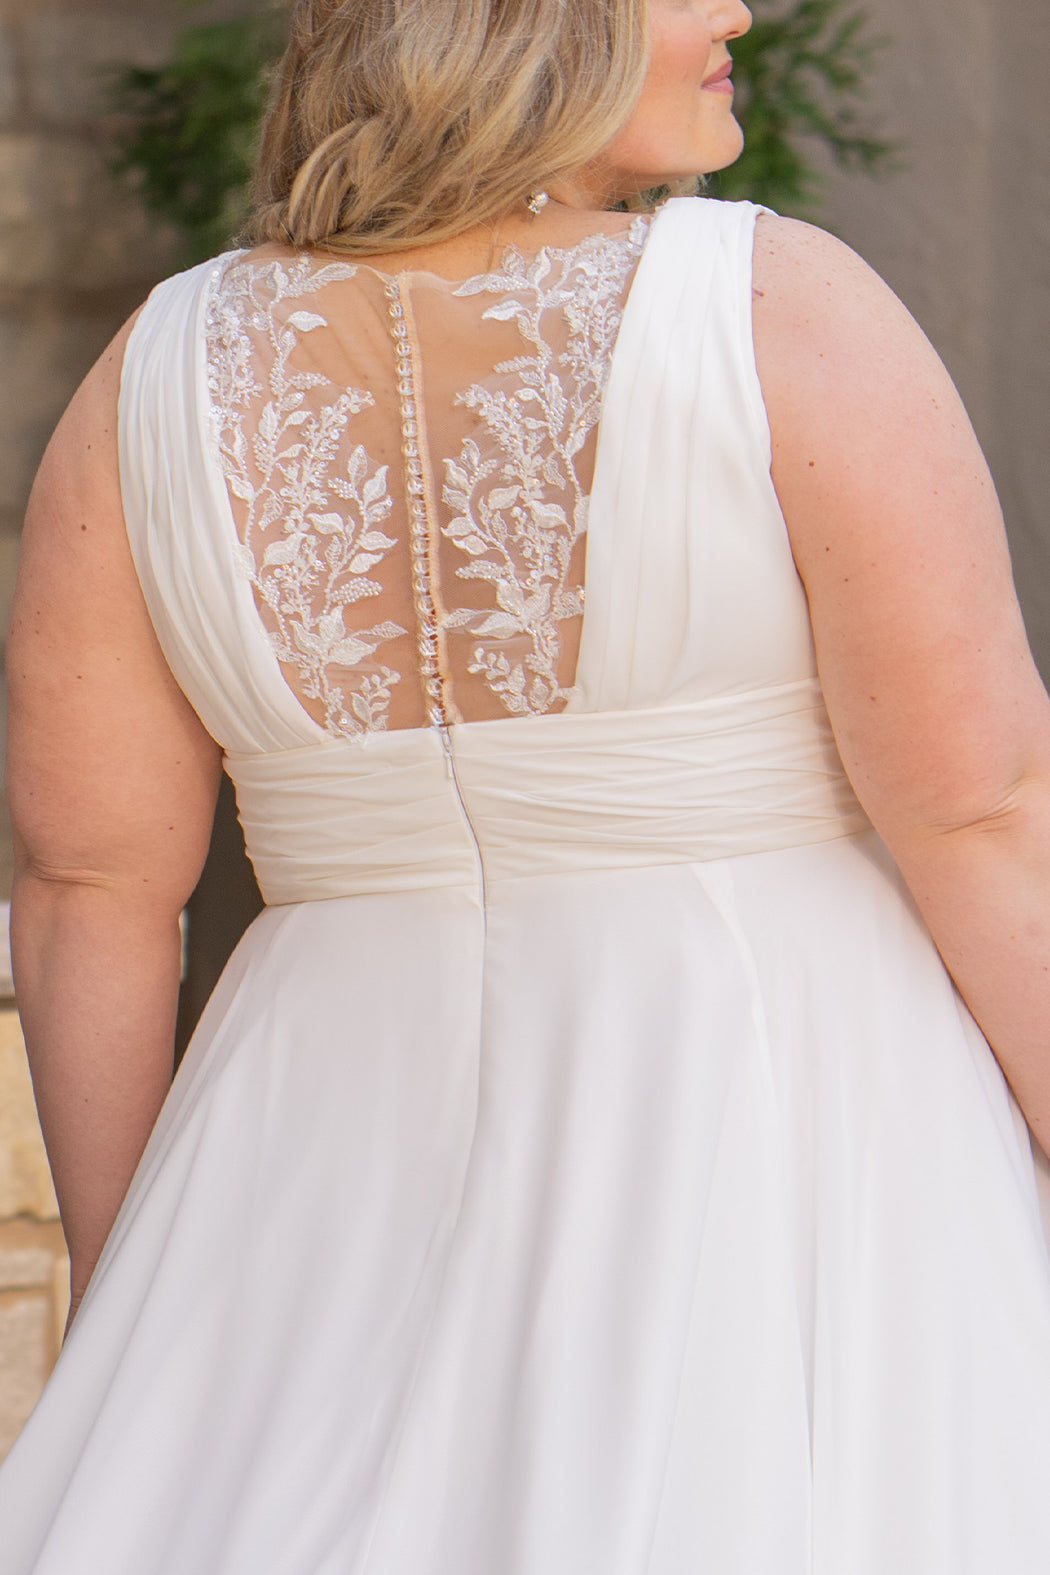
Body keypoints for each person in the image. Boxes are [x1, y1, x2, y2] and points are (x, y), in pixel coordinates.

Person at [2, 0, 1050, 1568]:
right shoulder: (772, 305)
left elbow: (89, 888)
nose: (733, 11)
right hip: (772, 1102)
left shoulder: (148, 374)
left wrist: (139, 1289)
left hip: (310, 1134)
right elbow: (981, 804)